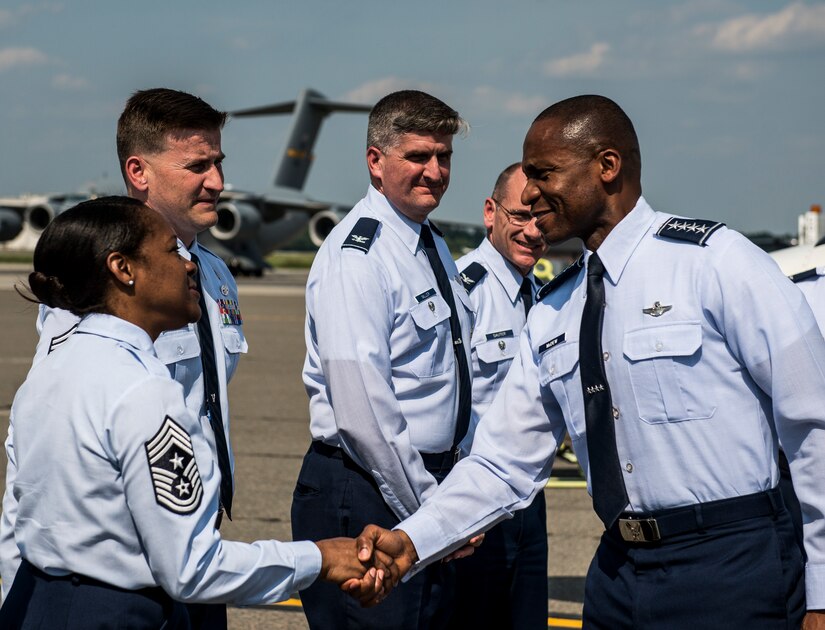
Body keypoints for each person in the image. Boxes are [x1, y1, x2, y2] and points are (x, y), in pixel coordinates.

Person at [364, 95, 825, 629]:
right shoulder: (556, 309)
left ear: (607, 167)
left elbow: (812, 425)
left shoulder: (715, 264)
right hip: (617, 576)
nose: (530, 193)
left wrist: (822, 594)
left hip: (733, 567)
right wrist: (411, 542)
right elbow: (502, 464)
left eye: (544, 174)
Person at [0, 198, 394, 629]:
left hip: (35, 603)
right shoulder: (143, 392)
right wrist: (320, 558)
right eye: (172, 250)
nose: (190, 265)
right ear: (123, 269)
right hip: (116, 614)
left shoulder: (50, 370)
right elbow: (191, 566)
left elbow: (16, 514)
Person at [1, 88, 245, 628]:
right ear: (139, 171)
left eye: (219, 163)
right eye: (197, 166)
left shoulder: (217, 277)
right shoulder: (97, 284)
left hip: (195, 546)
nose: (217, 182)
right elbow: (38, 445)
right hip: (122, 562)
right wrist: (13, 578)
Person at [291, 89, 473, 629]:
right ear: (376, 161)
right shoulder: (359, 257)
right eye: (418, 156)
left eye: (444, 157)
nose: (435, 171)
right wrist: (435, 515)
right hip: (368, 490)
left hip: (419, 484)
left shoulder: (430, 243)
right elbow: (364, 411)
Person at [451, 163, 548, 629]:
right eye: (520, 216)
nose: (533, 231)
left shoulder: (547, 298)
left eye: (543, 218)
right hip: (478, 500)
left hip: (529, 501)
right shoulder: (462, 291)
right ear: (490, 213)